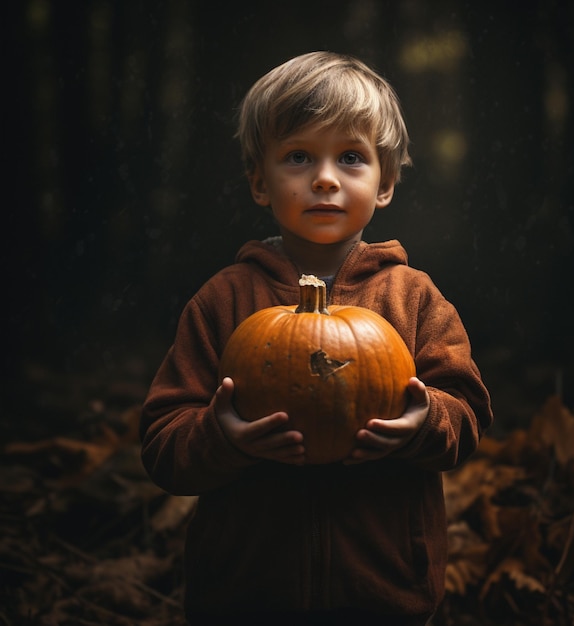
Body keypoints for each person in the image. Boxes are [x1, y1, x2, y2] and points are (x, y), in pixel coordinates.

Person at [140, 51, 493, 626]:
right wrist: (221, 438)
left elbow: (469, 412)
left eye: (351, 158)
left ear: (386, 185)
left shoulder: (414, 298)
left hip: (383, 592)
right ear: (260, 182)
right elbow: (161, 441)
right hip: (247, 593)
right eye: (298, 156)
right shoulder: (222, 302)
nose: (325, 178)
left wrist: (423, 422)